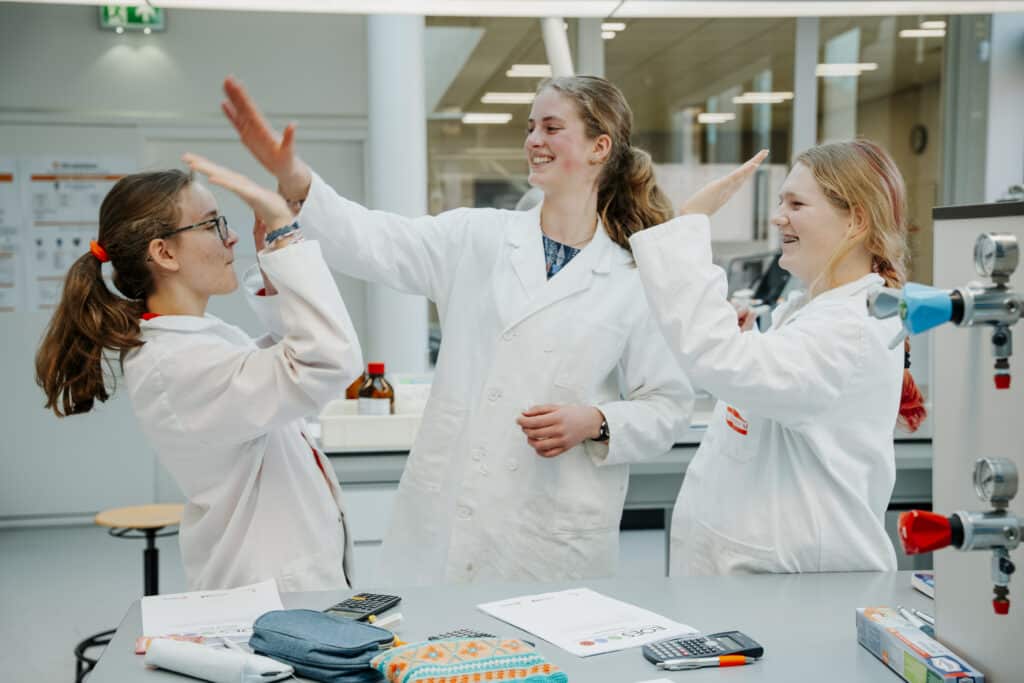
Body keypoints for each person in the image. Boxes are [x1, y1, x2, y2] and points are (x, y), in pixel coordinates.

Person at [219, 74, 694, 584]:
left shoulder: (632, 275)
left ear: (600, 147)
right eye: (531, 127)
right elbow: (372, 239)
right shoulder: (477, 237)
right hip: (450, 513)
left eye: (552, 128)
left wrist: (596, 421)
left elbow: (667, 405)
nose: (534, 140)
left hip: (551, 529)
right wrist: (295, 179)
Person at [35, 157, 363, 591]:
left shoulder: (194, 342)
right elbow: (324, 362)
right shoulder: (176, 363)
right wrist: (285, 235)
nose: (231, 238)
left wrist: (274, 267)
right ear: (164, 252)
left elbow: (287, 358)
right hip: (268, 593)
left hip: (282, 586)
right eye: (211, 225)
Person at [630, 140, 927, 576]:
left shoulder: (848, 328)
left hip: (795, 587)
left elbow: (721, 360)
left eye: (797, 203)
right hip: (758, 581)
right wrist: (749, 341)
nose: (778, 216)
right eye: (780, 201)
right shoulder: (814, 313)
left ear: (856, 220)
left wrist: (691, 223)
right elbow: (754, 379)